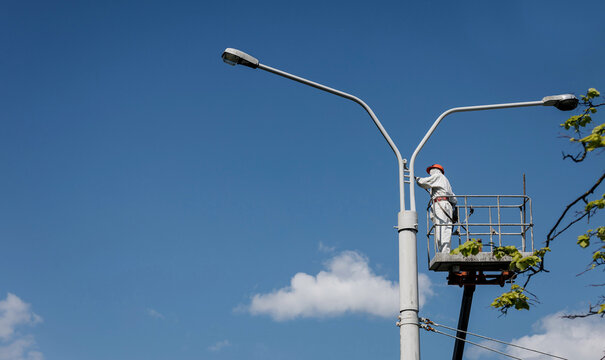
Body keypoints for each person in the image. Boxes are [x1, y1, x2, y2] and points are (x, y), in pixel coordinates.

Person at [416, 164, 457, 253]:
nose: (430, 173)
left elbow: (423, 182)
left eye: (431, 170)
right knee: (445, 228)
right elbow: (454, 198)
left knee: (440, 228)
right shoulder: (446, 181)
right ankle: (445, 250)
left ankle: (443, 251)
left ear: (436, 170)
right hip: (446, 205)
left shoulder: (438, 176)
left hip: (440, 204)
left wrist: (417, 179)